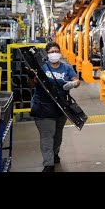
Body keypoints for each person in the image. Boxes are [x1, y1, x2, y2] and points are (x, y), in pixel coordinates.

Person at [27, 42, 80, 172]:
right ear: (47, 54)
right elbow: (31, 85)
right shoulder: (41, 68)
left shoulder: (67, 68)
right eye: (51, 52)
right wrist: (31, 77)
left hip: (61, 107)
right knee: (47, 135)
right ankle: (48, 164)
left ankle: (54, 154)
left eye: (56, 51)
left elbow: (76, 80)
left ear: (60, 53)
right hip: (43, 107)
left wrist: (73, 84)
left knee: (57, 135)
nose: (54, 53)